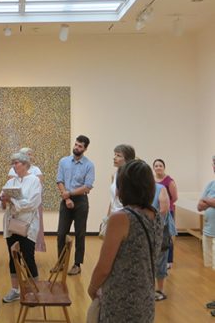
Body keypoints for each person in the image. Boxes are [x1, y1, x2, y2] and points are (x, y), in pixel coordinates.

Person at [88, 160, 163, 323]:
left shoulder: (121, 218)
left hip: (120, 298)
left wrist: (92, 289)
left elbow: (104, 267)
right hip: (145, 297)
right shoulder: (156, 215)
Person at [0, 152, 42, 303]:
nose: (14, 166)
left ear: (25, 164)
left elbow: (31, 203)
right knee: (13, 258)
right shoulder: (11, 182)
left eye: (16, 163)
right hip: (12, 226)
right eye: (13, 163)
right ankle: (15, 290)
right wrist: (4, 201)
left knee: (28, 257)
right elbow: (1, 202)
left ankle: (35, 291)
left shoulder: (34, 181)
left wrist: (13, 201)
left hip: (28, 226)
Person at [56, 135, 95, 275]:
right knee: (61, 233)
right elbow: (59, 180)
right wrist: (66, 197)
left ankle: (77, 265)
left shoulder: (89, 165)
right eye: (76, 144)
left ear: (85, 149)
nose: (77, 148)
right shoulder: (64, 161)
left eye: (80, 146)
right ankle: (60, 263)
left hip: (81, 202)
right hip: (66, 199)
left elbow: (87, 186)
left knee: (80, 234)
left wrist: (69, 193)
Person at [8, 147, 46, 252]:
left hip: (32, 202)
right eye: (28, 154)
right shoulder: (13, 170)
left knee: (31, 231)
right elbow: (12, 190)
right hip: (16, 208)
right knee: (16, 233)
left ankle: (31, 248)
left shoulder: (36, 169)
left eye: (31, 154)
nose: (31, 156)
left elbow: (39, 185)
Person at [197, 156, 215, 318]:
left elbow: (206, 202)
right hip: (208, 232)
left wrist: (207, 201)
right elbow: (199, 205)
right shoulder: (210, 185)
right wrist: (210, 201)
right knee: (212, 269)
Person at [153, 158, 178, 268]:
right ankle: (157, 258)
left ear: (164, 167)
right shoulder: (151, 180)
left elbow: (175, 197)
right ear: (153, 168)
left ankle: (169, 260)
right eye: (156, 166)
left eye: (160, 165)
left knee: (167, 236)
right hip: (155, 211)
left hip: (168, 212)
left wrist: (166, 205)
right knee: (156, 235)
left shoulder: (169, 181)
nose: (158, 167)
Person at [108, 144, 136, 215]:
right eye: (115, 155)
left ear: (127, 159)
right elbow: (113, 200)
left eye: (118, 156)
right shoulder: (114, 175)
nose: (114, 158)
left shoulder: (131, 176)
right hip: (114, 214)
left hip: (126, 214)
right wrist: (107, 217)